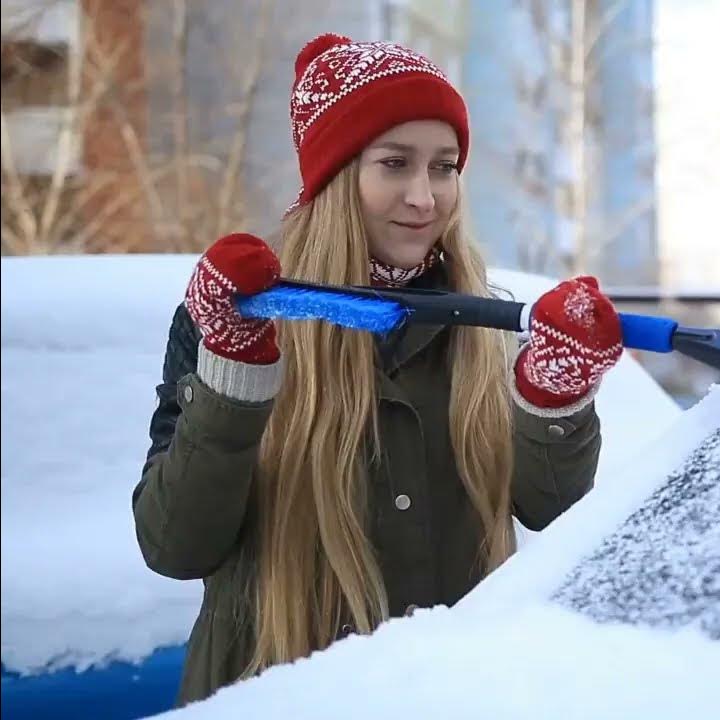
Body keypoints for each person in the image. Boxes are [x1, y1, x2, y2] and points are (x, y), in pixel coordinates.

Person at [132, 33, 622, 706]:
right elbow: (176, 545)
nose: (425, 198)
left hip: (455, 697)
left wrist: (556, 399)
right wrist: (235, 373)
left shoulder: (485, 326)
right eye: (396, 164)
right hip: (270, 694)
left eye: (444, 167)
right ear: (336, 176)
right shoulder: (236, 317)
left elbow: (555, 514)